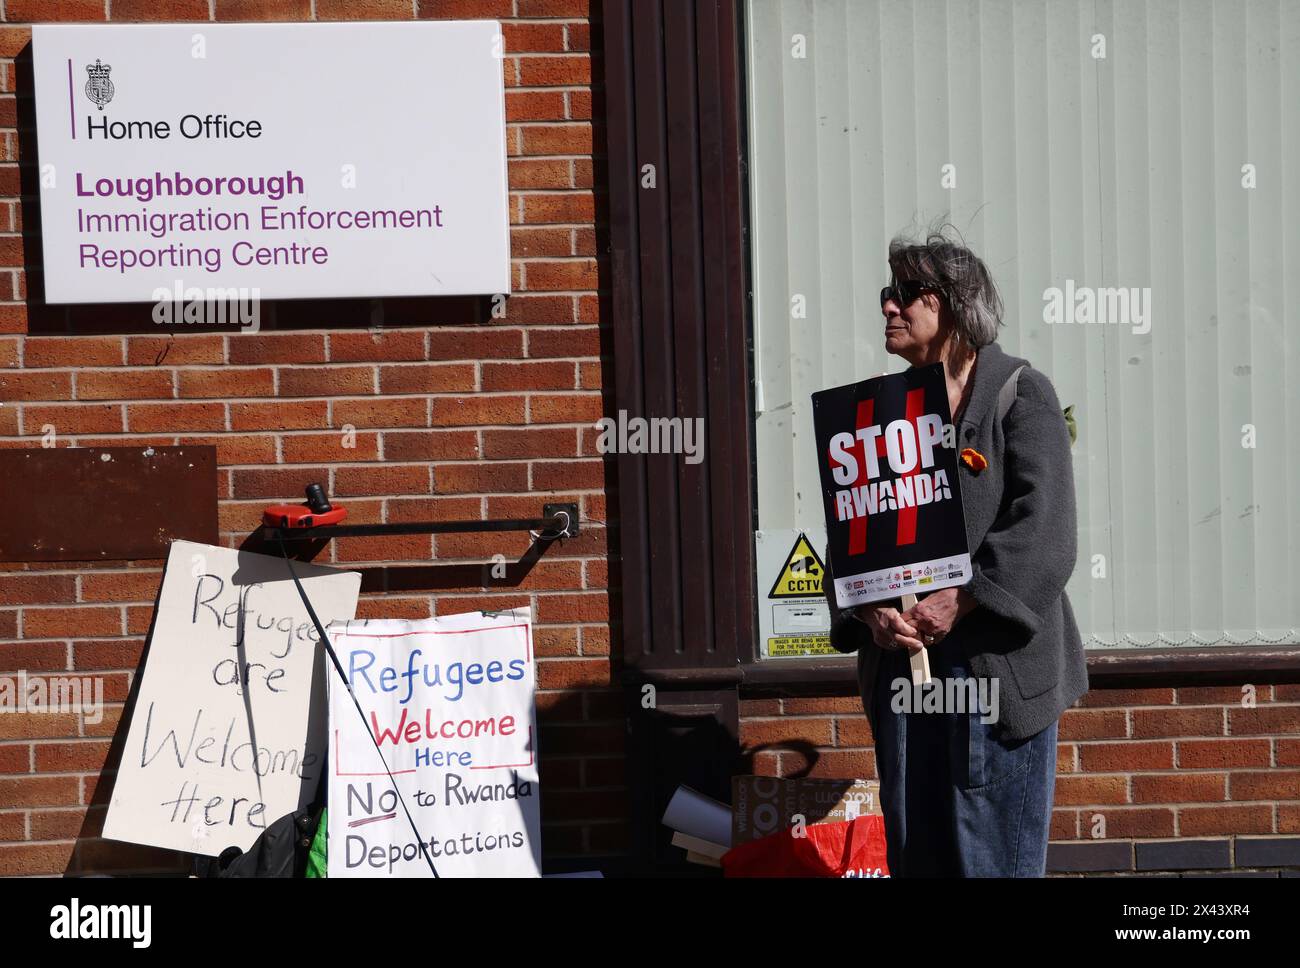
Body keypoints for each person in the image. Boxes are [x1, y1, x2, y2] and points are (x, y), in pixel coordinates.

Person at [824, 228, 1087, 877]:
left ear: (956, 305)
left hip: (994, 681)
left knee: (992, 862)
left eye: (909, 292)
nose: (890, 305)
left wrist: (962, 597)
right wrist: (867, 609)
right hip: (907, 683)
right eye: (889, 291)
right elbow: (851, 533)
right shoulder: (882, 414)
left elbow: (1046, 531)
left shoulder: (1019, 394)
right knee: (921, 857)